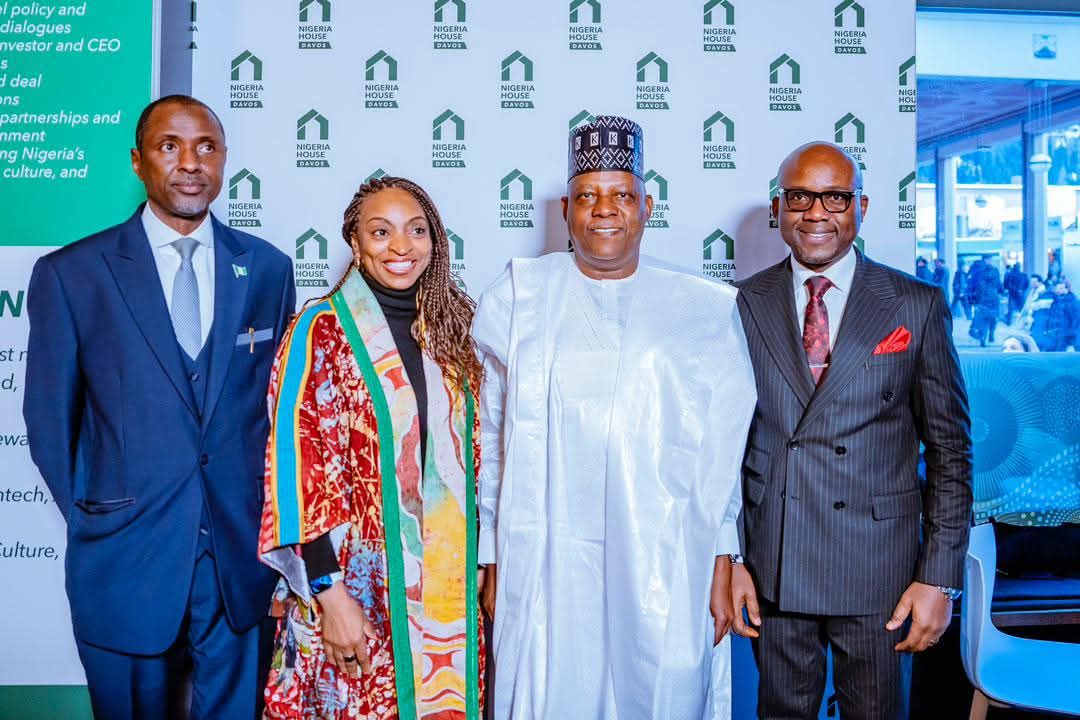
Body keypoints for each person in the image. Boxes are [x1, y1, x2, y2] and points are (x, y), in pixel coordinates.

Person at [472, 116, 756, 719]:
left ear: (647, 206)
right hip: (547, 551)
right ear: (566, 210)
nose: (605, 210)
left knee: (658, 694)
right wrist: (492, 554)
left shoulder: (701, 311)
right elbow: (493, 439)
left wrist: (723, 556)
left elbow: (722, 451)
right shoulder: (520, 298)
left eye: (621, 194)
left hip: (665, 554)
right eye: (587, 196)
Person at [23, 95, 296, 719]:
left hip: (238, 567)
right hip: (124, 560)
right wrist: (104, 515)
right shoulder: (73, 274)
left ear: (224, 159)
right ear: (138, 162)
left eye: (206, 147)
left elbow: (279, 418)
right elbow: (48, 425)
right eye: (169, 147)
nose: (190, 163)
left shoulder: (268, 269)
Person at [731, 142, 973, 719]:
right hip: (775, 561)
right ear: (777, 208)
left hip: (880, 571)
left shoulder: (914, 305)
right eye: (800, 197)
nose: (817, 213)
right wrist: (730, 559)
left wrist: (939, 578)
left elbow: (950, 452)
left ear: (860, 205)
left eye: (835, 197)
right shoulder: (740, 304)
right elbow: (723, 448)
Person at [260, 177, 485, 719]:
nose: (401, 247)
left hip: (444, 583)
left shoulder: (456, 330)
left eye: (416, 230)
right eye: (380, 232)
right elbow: (296, 464)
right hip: (351, 582)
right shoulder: (322, 329)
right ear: (355, 243)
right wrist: (327, 594)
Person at [967, 254, 1004, 346]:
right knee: (991, 317)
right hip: (989, 297)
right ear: (985, 260)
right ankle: (988, 334)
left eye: (991, 259)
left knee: (983, 318)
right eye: (989, 259)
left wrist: (971, 297)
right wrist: (1001, 291)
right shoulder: (993, 271)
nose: (990, 261)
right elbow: (998, 284)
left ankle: (985, 335)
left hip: (983, 298)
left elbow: (971, 285)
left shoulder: (977, 271)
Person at [1041, 279, 1079, 351]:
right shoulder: (1055, 301)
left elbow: (1075, 321)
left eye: (1061, 288)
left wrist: (1071, 341)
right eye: (1057, 288)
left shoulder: (1073, 302)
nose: (1058, 290)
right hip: (1053, 336)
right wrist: (1046, 329)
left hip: (1065, 337)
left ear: (1067, 289)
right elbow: (1050, 317)